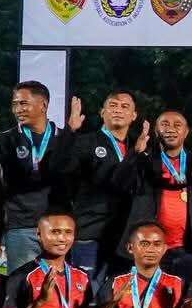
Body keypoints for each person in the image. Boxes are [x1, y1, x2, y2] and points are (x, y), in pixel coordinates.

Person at [0, 81, 75, 271]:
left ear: (43, 105)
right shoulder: (7, 139)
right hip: (21, 226)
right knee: (22, 285)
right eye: (15, 104)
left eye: (23, 103)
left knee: (58, 286)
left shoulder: (64, 139)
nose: (17, 109)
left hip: (58, 226)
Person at [112, 109, 192, 283]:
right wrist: (135, 153)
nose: (171, 129)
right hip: (149, 249)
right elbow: (119, 184)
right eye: (165, 124)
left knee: (189, 297)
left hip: (190, 249)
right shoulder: (145, 160)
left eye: (177, 125)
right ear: (156, 130)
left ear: (186, 131)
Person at [58, 90, 139, 286]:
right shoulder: (85, 142)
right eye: (113, 105)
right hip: (90, 232)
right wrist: (70, 131)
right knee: (86, 294)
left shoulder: (138, 147)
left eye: (124, 106)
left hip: (123, 237)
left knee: (118, 296)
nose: (118, 110)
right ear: (102, 112)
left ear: (134, 115)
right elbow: (62, 167)